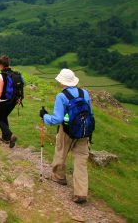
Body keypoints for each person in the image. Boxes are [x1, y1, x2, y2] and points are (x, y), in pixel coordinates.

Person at [40, 68, 91, 204]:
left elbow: (57, 119)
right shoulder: (84, 93)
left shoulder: (62, 96)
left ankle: (59, 176)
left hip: (67, 130)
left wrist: (44, 116)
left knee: (61, 152)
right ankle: (81, 193)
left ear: (62, 82)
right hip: (84, 131)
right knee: (81, 161)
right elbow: (89, 113)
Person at [0, 55, 19, 148]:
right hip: (14, 101)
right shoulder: (15, 74)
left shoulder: (1, 75)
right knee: (4, 117)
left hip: (4, 101)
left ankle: (10, 135)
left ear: (0, 65)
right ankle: (5, 138)